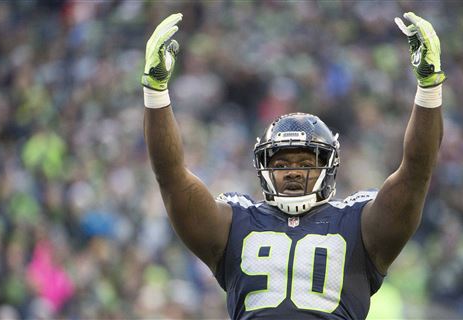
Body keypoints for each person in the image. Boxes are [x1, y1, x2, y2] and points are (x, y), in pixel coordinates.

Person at [142, 11, 445, 319]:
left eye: (306, 162)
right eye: (282, 162)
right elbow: (171, 176)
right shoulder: (234, 223)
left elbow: (416, 172)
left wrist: (429, 87)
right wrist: (156, 91)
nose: (294, 171)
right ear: (263, 167)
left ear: (329, 167)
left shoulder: (360, 223)